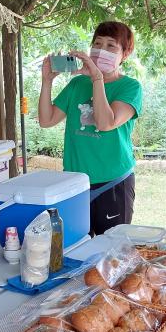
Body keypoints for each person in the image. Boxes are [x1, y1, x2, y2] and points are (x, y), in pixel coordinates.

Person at [38, 21, 143, 236]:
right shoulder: (77, 84)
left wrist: (97, 78)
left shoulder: (130, 87)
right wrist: (46, 81)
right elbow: (46, 120)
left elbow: (106, 123)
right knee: (77, 249)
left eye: (111, 46)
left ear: (125, 54)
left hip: (112, 182)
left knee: (111, 251)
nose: (102, 50)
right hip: (75, 183)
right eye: (97, 43)